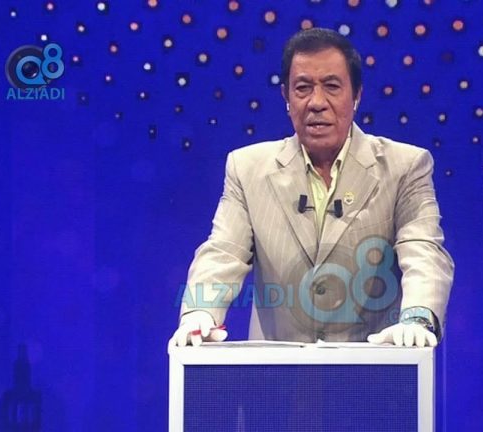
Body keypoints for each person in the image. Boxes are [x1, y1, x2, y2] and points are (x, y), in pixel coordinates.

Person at [170, 28, 453, 348]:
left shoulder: (405, 167)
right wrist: (200, 313)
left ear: (357, 95)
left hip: (372, 370)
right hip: (277, 374)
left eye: (332, 86)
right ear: (286, 97)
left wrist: (417, 317)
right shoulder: (247, 168)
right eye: (303, 88)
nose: (317, 102)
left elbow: (423, 251)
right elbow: (224, 251)